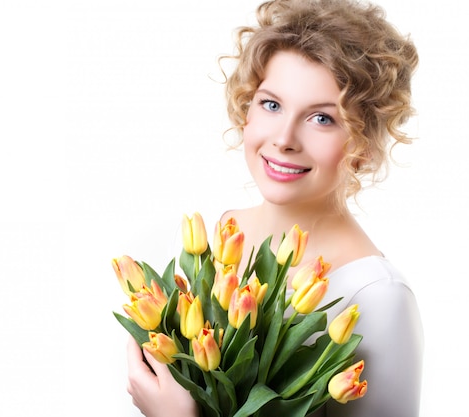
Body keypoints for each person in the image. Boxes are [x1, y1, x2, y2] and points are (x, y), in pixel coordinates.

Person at [125, 0, 424, 416]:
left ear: (364, 143)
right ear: (245, 105)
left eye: (322, 119)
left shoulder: (378, 296)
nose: (284, 138)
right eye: (271, 104)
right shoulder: (204, 241)